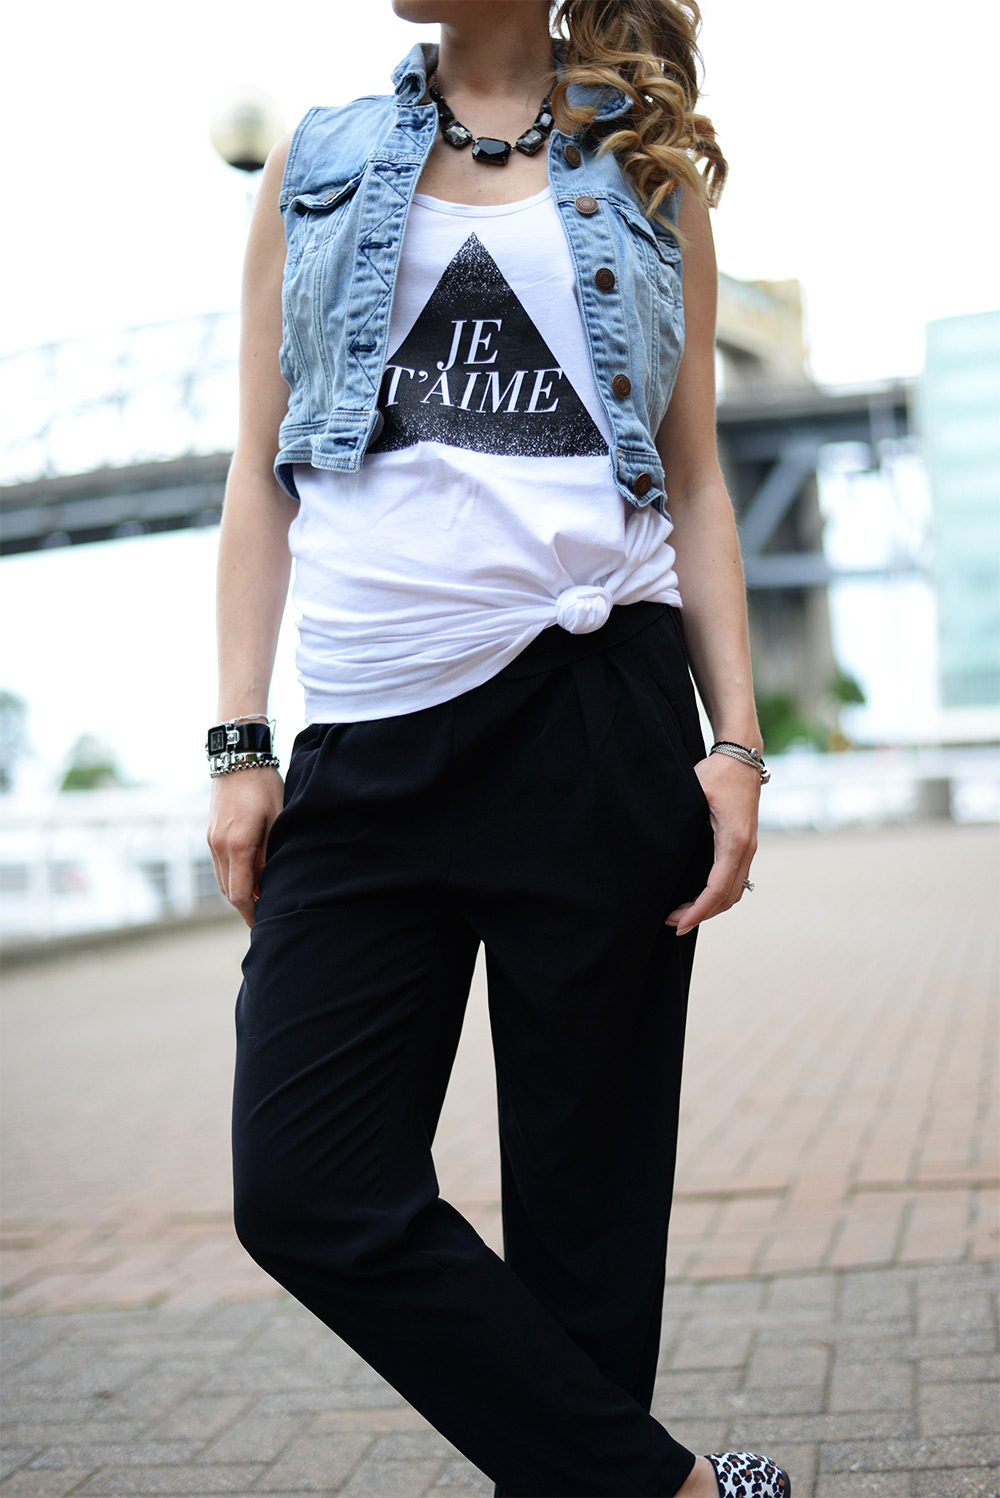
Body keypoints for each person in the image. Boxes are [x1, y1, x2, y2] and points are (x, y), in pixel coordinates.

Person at [206, 2, 789, 1494]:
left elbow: (698, 480)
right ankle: (678, 1491)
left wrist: (737, 742)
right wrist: (240, 737)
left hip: (594, 712)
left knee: (588, 1225)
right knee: (306, 1186)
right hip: (369, 738)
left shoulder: (646, 169)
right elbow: (259, 471)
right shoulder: (319, 162)